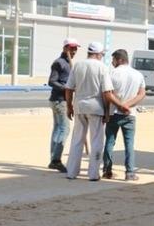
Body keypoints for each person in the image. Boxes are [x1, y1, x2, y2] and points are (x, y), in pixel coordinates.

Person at [64, 42, 128, 181]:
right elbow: (106, 92)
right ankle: (93, 174)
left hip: (79, 106)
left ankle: (72, 172)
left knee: (77, 140)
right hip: (96, 107)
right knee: (96, 141)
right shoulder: (102, 68)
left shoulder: (78, 66)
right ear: (99, 54)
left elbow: (68, 89)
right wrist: (106, 111)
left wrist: (69, 106)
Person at [103, 49, 146, 181]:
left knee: (110, 142)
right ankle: (130, 173)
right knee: (129, 144)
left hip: (113, 113)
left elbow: (107, 94)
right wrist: (128, 105)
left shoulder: (112, 74)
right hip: (130, 114)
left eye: (114, 60)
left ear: (120, 60)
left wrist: (118, 106)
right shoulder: (138, 74)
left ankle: (107, 171)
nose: (112, 62)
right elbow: (142, 94)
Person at [47, 38, 78, 173]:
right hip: (59, 100)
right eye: (72, 48)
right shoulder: (59, 63)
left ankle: (54, 158)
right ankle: (56, 160)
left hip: (62, 100)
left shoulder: (70, 64)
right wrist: (66, 88)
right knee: (64, 129)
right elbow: (52, 81)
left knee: (58, 128)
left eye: (75, 48)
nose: (74, 51)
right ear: (65, 48)